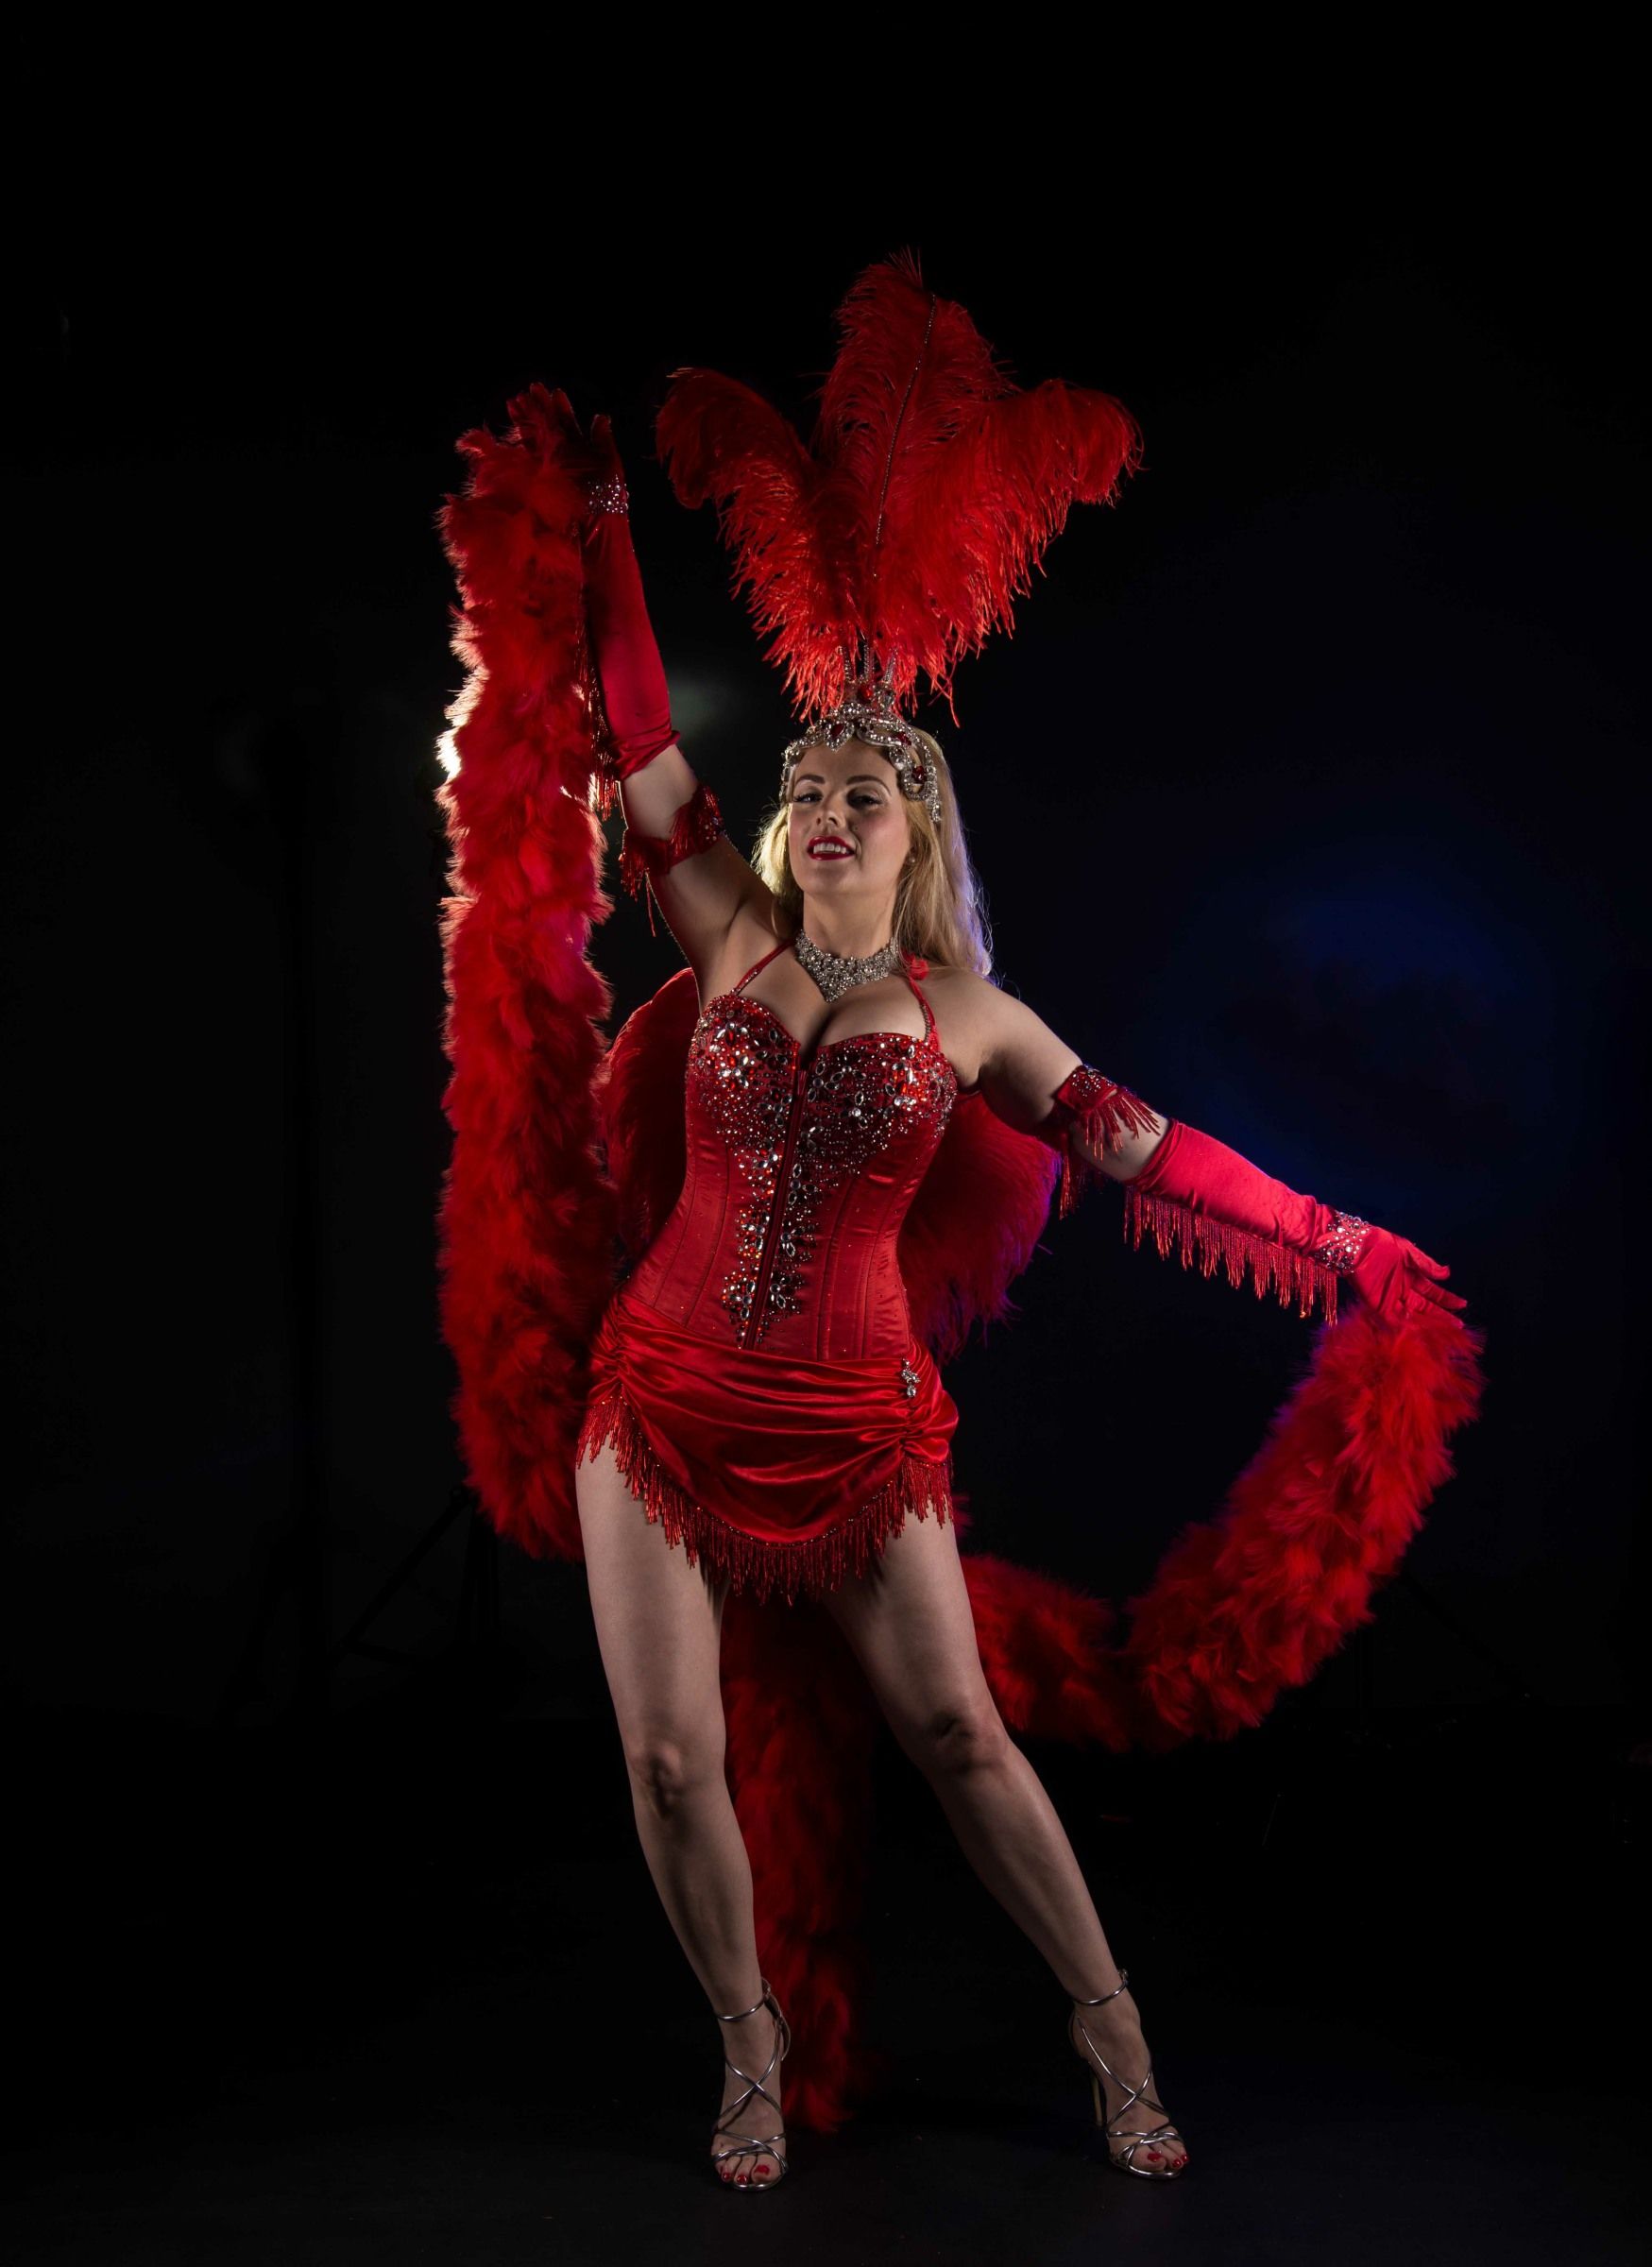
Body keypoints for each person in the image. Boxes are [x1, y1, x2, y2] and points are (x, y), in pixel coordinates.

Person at [569, 424, 1468, 2192]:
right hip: (659, 1395)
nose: (824, 811)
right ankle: (747, 2049)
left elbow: (1151, 1154)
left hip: (860, 1425)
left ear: (913, 832)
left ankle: (1108, 2026)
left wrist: (1337, 1232)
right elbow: (638, 741)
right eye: (807, 786)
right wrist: (604, 530)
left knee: (960, 1734)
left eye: (862, 794)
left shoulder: (974, 1016)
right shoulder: (718, 933)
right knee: (674, 1764)